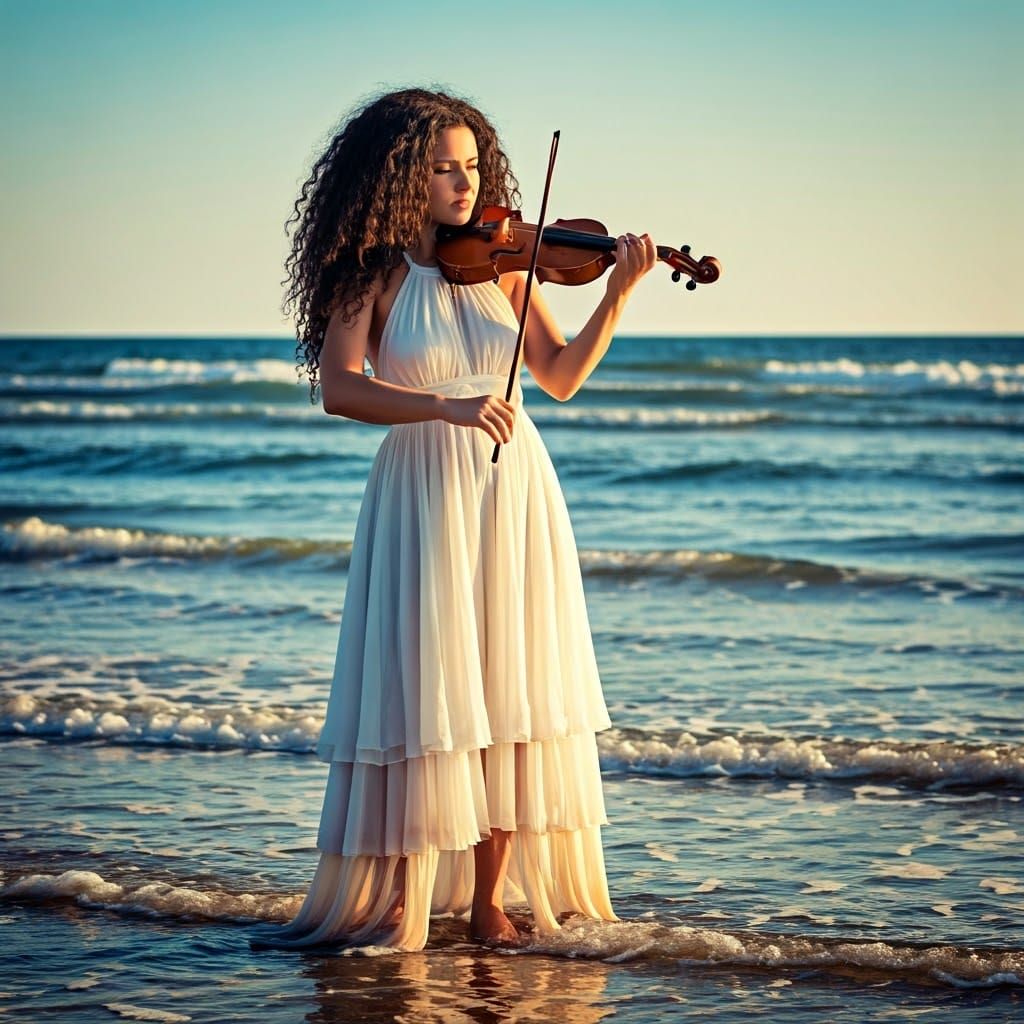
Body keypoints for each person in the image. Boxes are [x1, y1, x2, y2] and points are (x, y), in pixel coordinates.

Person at [249, 87, 656, 953]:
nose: (462, 183)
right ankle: (408, 895)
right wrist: (447, 404)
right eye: (442, 168)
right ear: (403, 174)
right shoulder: (372, 270)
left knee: (507, 690)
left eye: (471, 166)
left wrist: (616, 294)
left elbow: (560, 375)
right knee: (422, 691)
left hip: (513, 492)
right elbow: (342, 388)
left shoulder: (507, 262)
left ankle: (483, 900)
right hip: (423, 492)